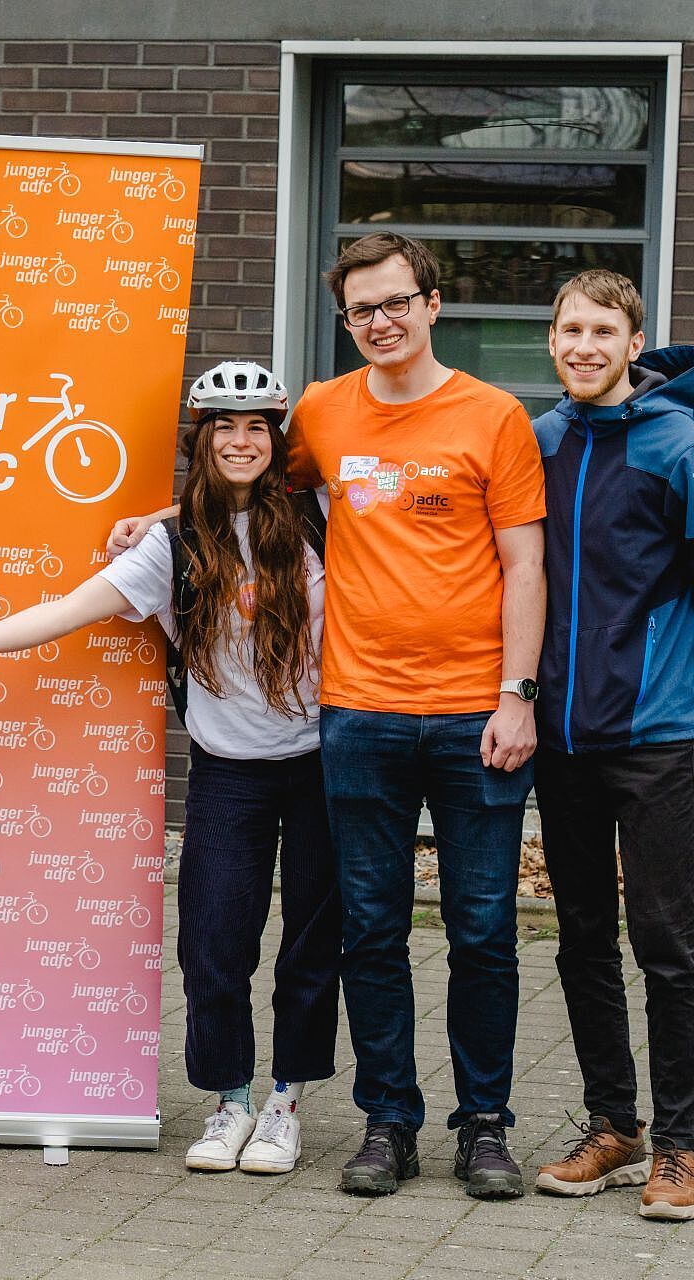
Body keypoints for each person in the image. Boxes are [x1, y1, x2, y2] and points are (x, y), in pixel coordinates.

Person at [111, 234, 546, 1199]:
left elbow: (526, 566)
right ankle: (388, 1119)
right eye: (363, 311)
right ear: (345, 322)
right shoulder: (321, 411)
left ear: (433, 304)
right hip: (357, 715)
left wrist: (518, 695)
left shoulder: (495, 415)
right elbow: (249, 479)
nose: (382, 322)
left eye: (398, 303)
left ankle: (484, 1125)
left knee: (481, 930)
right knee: (369, 933)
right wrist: (164, 518)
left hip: (476, 713)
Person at [0, 360, 342, 1175]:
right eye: (223, 427)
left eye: (256, 428)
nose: (240, 441)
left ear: (278, 442)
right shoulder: (172, 545)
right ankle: (229, 1101)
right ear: (199, 440)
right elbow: (68, 611)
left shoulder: (319, 520)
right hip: (228, 771)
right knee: (214, 943)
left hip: (324, 766)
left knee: (311, 946)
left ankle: (284, 1103)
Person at [528, 270, 694, 1220]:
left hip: (662, 734)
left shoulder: (676, 443)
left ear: (635, 343)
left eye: (602, 331)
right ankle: (614, 1124)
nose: (582, 346)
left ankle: (681, 1142)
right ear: (551, 340)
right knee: (583, 937)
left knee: (670, 944)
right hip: (565, 735)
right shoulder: (542, 440)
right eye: (567, 330)